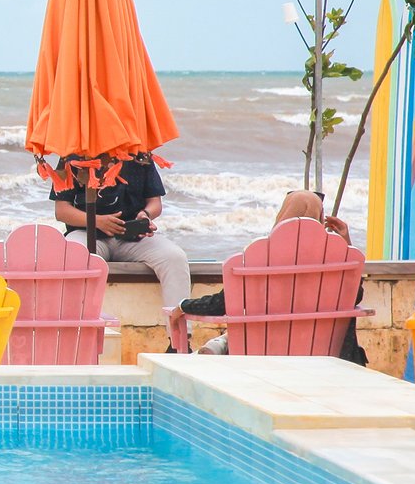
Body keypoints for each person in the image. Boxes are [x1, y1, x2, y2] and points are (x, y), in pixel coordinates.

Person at [174, 190, 367, 363]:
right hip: (323, 359)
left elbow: (221, 304)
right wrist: (346, 245)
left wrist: (183, 305)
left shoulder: (260, 260)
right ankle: (222, 341)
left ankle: (222, 342)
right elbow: (354, 296)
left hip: (262, 358)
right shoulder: (335, 263)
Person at [51, 152, 191, 340]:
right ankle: (75, 336)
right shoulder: (72, 157)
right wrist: (97, 221)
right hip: (87, 233)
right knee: (71, 254)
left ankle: (179, 340)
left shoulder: (140, 156)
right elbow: (62, 211)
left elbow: (155, 203)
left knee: (174, 257)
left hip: (132, 237)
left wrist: (145, 215)